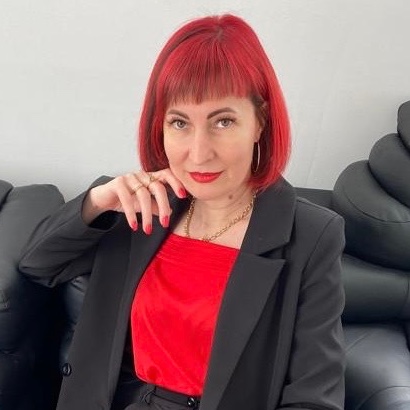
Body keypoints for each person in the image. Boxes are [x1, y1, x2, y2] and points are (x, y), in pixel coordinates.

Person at [19, 14, 345, 410]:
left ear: (260, 120)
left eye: (223, 121)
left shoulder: (311, 235)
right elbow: (38, 265)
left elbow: (315, 397)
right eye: (179, 122)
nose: (199, 153)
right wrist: (96, 203)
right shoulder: (140, 206)